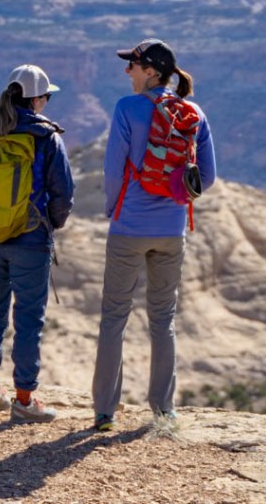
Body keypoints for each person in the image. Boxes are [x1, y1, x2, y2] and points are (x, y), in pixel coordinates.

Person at [91, 38, 216, 431]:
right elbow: (207, 176)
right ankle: (164, 410)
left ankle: (105, 413)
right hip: (171, 230)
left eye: (133, 65)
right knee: (163, 319)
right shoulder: (193, 111)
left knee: (114, 318)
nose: (127, 71)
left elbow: (114, 169)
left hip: (128, 227)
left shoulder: (127, 108)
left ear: (152, 71)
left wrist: (115, 210)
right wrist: (175, 199)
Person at [0, 65, 74, 423]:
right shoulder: (46, 137)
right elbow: (63, 193)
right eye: (47, 96)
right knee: (27, 319)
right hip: (30, 240)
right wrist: (49, 225)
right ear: (37, 98)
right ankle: (24, 400)